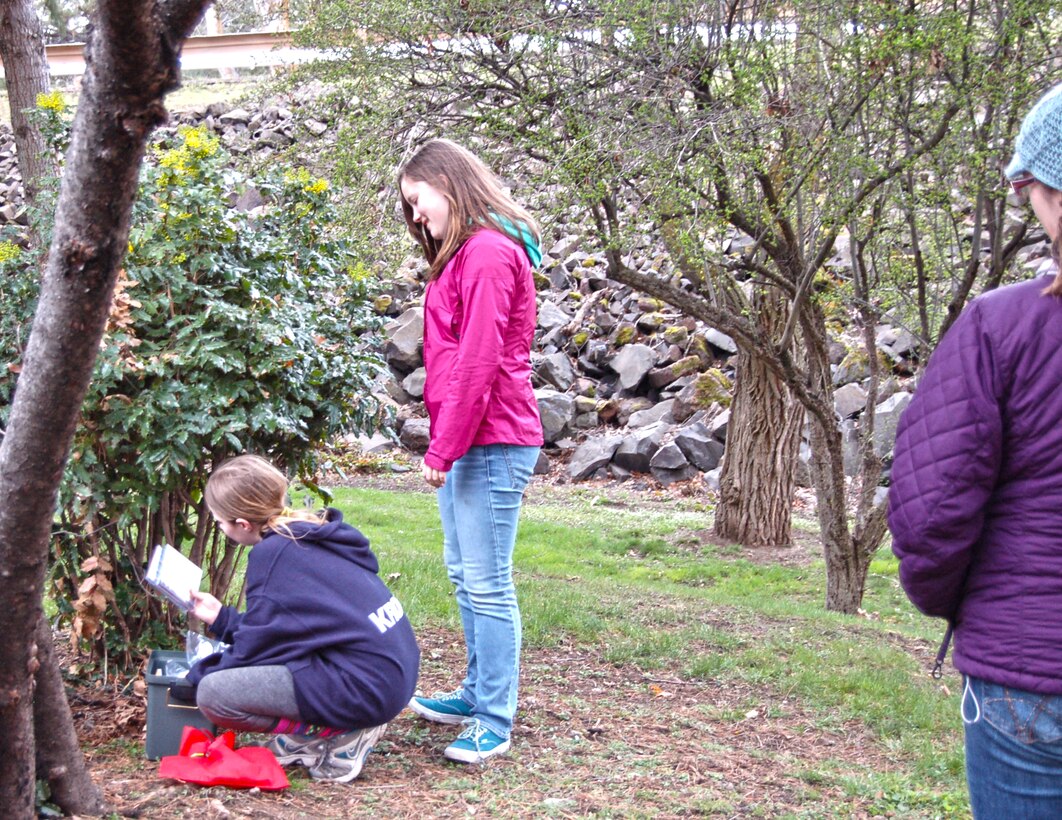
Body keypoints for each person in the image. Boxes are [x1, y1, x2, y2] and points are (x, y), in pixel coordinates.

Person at [888, 82, 1062, 817]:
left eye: (1029, 185)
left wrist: (968, 606)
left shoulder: (1005, 327)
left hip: (1031, 673)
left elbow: (931, 513)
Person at [396, 139, 544, 763]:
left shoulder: (486, 253)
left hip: (493, 438)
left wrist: (442, 449)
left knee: (486, 583)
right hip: (473, 439)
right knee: (466, 577)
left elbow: (479, 361)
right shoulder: (466, 253)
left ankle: (494, 718)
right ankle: (476, 691)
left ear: (447, 184)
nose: (415, 216)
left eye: (417, 200)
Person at [184, 454, 420, 784]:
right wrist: (222, 618)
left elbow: (256, 651)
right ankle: (329, 727)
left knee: (214, 695)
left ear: (243, 524)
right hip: (390, 673)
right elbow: (289, 632)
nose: (221, 529)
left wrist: (196, 675)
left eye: (220, 522)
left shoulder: (273, 555)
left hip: (368, 688)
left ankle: (343, 731)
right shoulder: (308, 533)